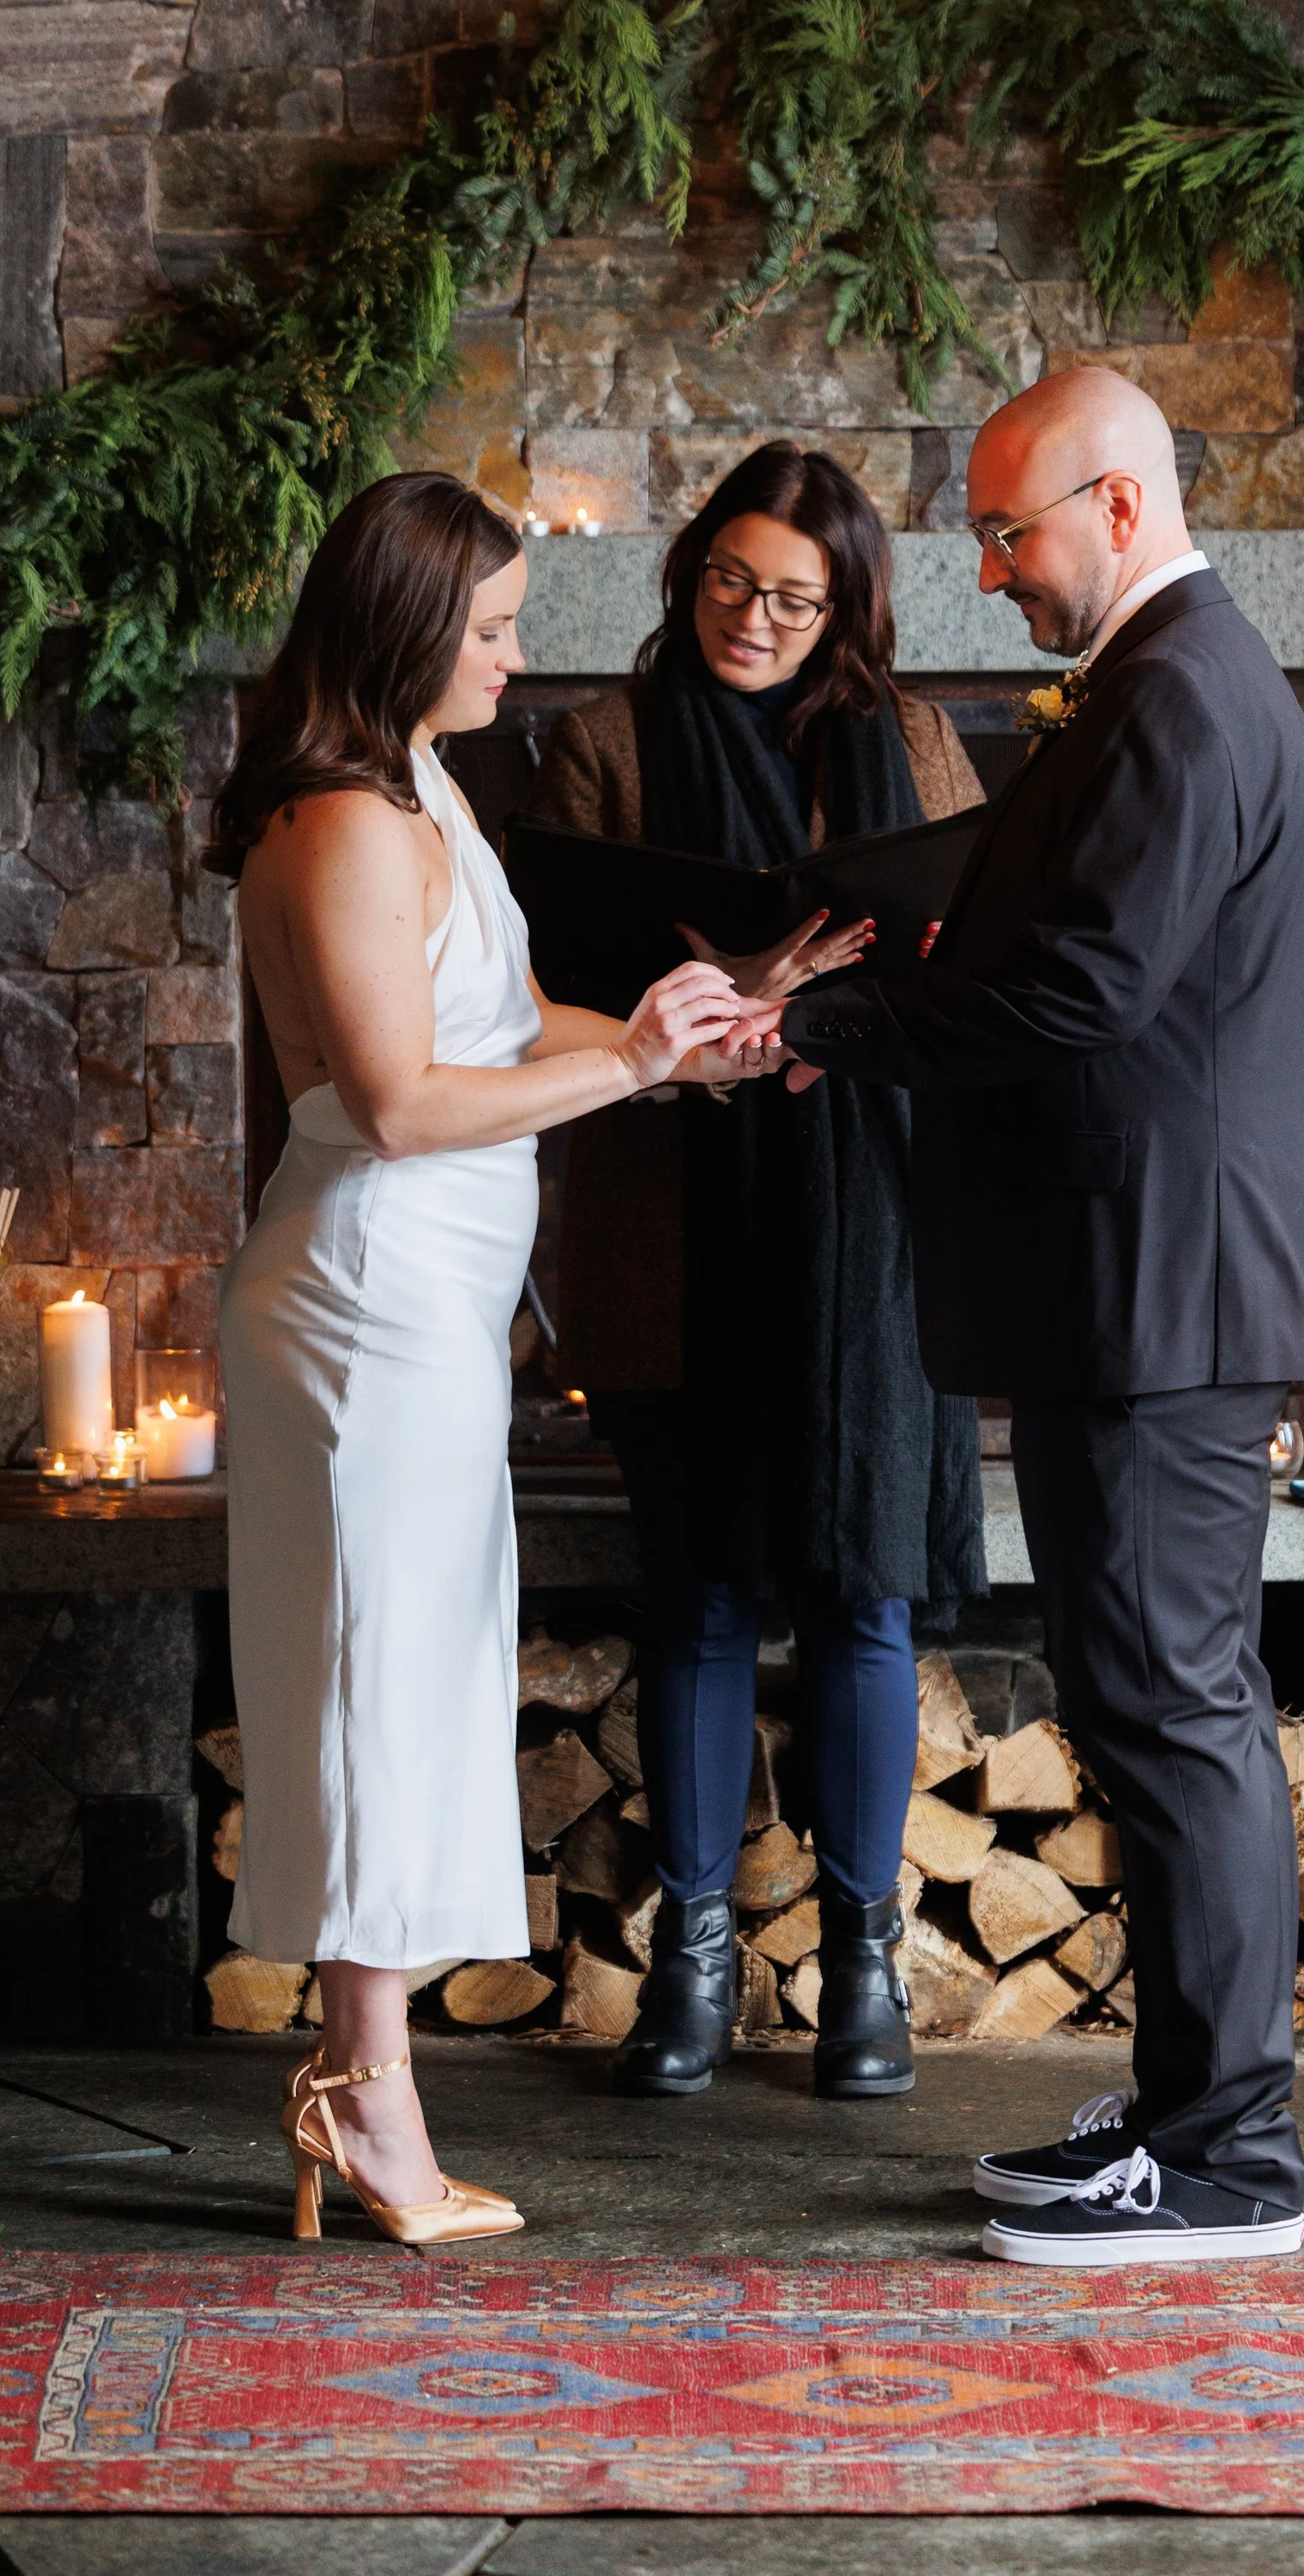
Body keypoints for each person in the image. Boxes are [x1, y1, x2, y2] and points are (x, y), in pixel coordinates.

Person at [776, 369, 1304, 2265]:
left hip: (1161, 1293)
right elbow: (1086, 954)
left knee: (1176, 1704)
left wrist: (829, 1026)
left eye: (1006, 533)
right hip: (1135, 1288)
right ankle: (1186, 2104)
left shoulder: (1177, 689)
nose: (989, 572)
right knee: (1142, 1693)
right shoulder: (1157, 684)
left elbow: (1086, 992)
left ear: (1113, 503)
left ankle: (1229, 2159)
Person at [208, 471, 767, 2248]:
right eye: (496, 630)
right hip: (366, 1305)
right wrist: (641, 1073)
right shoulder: (348, 824)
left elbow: (508, 1019)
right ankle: (364, 2103)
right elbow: (394, 1101)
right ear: (400, 630)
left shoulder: (423, 790)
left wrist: (711, 1033)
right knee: (375, 1691)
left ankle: (351, 2086)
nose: (521, 660)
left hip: (426, 1306)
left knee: (414, 1681)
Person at [523, 441, 987, 2100]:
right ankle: (696, 1961)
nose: (755, 614)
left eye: (795, 594)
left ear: (846, 605)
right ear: (688, 568)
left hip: (866, 1232)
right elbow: (544, 996)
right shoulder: (590, 748)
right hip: (671, 1224)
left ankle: (865, 1966)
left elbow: (974, 976)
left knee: (860, 1594)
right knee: (700, 1593)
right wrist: (720, 1002)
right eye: (730, 577)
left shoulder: (919, 743)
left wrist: (825, 1015)